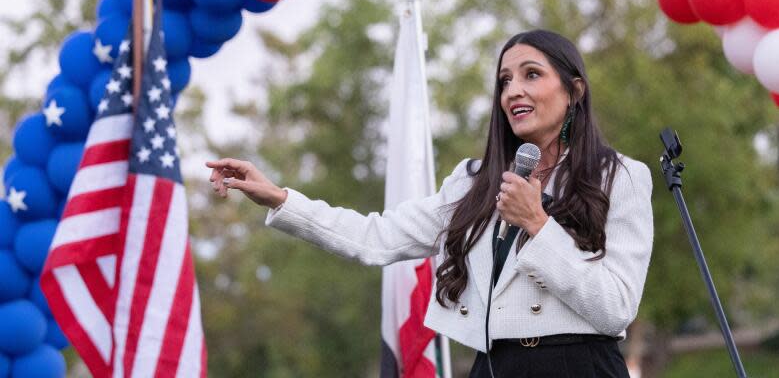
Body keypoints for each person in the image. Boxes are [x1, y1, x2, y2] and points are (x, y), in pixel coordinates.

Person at [206, 29, 653, 378]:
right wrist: (282, 199)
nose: (513, 90)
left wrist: (538, 225)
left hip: (580, 367)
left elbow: (615, 306)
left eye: (531, 74)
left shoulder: (620, 177)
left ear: (574, 90)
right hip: (494, 366)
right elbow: (375, 238)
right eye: (504, 81)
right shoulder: (474, 183)